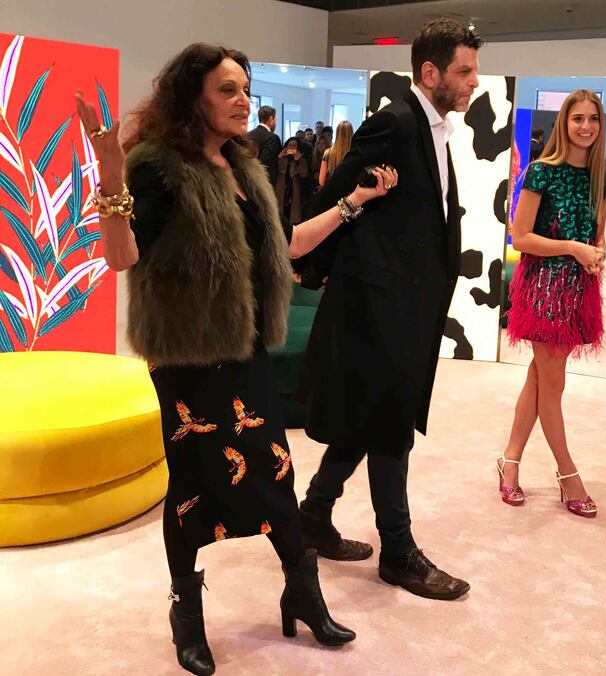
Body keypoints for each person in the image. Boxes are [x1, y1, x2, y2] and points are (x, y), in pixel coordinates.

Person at [75, 43, 397, 676]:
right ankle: (186, 612)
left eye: (245, 88)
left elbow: (287, 245)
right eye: (227, 89)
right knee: (194, 485)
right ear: (191, 95)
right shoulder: (157, 166)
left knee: (275, 472)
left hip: (245, 349)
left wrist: (353, 202)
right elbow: (121, 257)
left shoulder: (246, 168)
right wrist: (111, 178)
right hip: (187, 356)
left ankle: (301, 591)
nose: (243, 99)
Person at [295, 17, 482, 601]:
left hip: (408, 304)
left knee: (370, 418)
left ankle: (312, 515)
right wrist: (321, 273)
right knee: (391, 425)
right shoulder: (394, 123)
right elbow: (335, 199)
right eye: (464, 71)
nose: (474, 81)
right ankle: (398, 552)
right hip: (379, 308)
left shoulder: (435, 127)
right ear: (429, 72)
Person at [501, 89, 606, 517]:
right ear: (564, 122)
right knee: (554, 384)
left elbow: (596, 233)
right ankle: (568, 474)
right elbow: (520, 236)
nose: (585, 126)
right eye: (577, 118)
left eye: (593, 118)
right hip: (544, 288)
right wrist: (573, 248)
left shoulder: (597, 177)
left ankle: (509, 461)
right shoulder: (542, 172)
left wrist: (596, 252)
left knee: (539, 378)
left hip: (579, 290)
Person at [275, 138, 310, 224]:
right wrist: (280, 157)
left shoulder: (302, 160)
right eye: (290, 145)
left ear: (298, 148)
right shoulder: (282, 158)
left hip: (294, 191)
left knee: (293, 215)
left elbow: (303, 174)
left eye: (294, 145)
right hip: (282, 189)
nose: (292, 147)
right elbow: (280, 170)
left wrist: (296, 161)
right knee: (281, 214)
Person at [247, 105, 280, 185]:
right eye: (275, 120)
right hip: (265, 183)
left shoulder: (247, 135)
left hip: (247, 179)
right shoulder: (272, 138)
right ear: (271, 119)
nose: (276, 122)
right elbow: (267, 164)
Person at [319, 120, 354, 187]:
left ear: (337, 133)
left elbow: (321, 181)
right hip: (350, 191)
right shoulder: (354, 153)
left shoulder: (328, 153)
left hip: (332, 190)